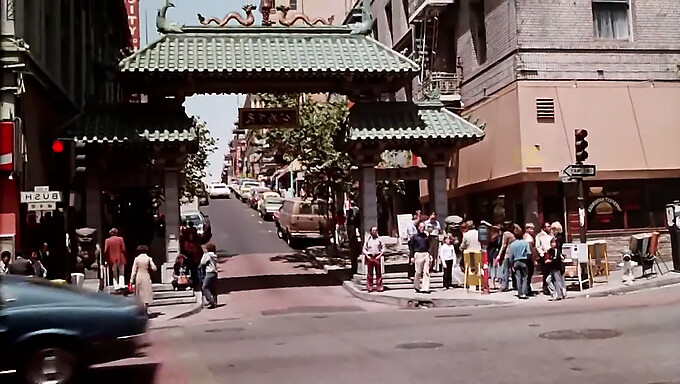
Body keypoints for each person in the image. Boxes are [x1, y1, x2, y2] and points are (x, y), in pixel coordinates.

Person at [130, 245, 157, 312]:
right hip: (146, 276)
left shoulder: (136, 259)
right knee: (146, 293)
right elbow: (154, 268)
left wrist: (131, 281)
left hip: (139, 277)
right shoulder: (149, 258)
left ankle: (140, 309)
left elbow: (134, 271)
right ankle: (146, 308)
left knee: (139, 294)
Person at [508, 227, 531, 299]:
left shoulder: (512, 245)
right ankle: (524, 292)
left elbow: (510, 256)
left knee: (518, 277)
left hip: (516, 261)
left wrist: (511, 264)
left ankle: (520, 293)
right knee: (525, 277)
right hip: (523, 261)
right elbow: (529, 253)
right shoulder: (525, 243)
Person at [362, 226, 385, 292]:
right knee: (370, 273)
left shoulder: (379, 240)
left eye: (376, 230)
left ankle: (379, 286)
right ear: (371, 232)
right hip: (370, 257)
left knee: (378, 272)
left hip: (377, 257)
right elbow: (364, 248)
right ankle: (370, 287)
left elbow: (383, 248)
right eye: (373, 230)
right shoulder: (368, 240)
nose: (375, 232)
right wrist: (367, 255)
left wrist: (380, 255)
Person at [497, 222, 517, 291]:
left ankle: (505, 286)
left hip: (507, 253)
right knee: (514, 270)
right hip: (514, 253)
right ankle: (516, 284)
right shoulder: (513, 234)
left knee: (505, 270)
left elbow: (504, 245)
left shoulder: (506, 234)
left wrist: (499, 255)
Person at [411, 222, 431, 293]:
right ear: (418, 228)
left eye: (423, 227)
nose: (422, 229)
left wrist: (429, 254)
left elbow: (428, 245)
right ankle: (416, 286)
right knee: (418, 271)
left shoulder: (426, 236)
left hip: (425, 254)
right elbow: (411, 247)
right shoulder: (414, 237)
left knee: (426, 271)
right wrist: (412, 256)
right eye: (421, 227)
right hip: (418, 254)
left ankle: (425, 288)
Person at [535, 222, 553, 295]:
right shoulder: (539, 236)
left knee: (552, 271)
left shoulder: (551, 234)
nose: (549, 228)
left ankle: (551, 287)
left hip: (551, 254)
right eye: (547, 227)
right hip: (544, 255)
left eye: (549, 226)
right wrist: (542, 254)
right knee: (545, 272)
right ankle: (545, 288)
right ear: (544, 228)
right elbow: (537, 246)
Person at [550, 221, 567, 298]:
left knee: (557, 278)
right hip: (559, 260)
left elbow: (557, 249)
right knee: (561, 278)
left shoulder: (558, 238)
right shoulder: (559, 237)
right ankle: (563, 293)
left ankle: (559, 293)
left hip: (557, 261)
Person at [200, 243, 219, 308]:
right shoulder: (214, 255)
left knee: (205, 287)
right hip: (215, 272)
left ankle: (211, 300)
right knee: (213, 288)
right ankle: (215, 302)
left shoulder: (207, 255)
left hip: (209, 272)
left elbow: (202, 262)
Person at [523, 223, 538, 296]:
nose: (533, 230)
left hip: (527, 258)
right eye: (531, 229)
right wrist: (534, 260)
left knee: (528, 275)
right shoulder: (528, 238)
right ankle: (527, 290)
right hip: (529, 259)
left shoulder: (528, 237)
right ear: (527, 229)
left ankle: (527, 289)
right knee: (528, 275)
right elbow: (531, 250)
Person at [486, 226, 503, 290]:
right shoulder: (497, 237)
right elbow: (499, 244)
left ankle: (492, 282)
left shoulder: (489, 236)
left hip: (490, 253)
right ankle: (494, 283)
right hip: (494, 253)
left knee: (492, 267)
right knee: (495, 267)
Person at [406, 211, 421, 280]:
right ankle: (410, 273)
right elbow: (412, 236)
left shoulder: (414, 225)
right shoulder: (410, 225)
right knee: (412, 257)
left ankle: (416, 272)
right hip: (412, 242)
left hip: (415, 242)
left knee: (416, 257)